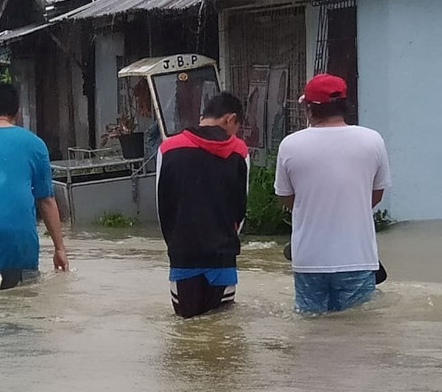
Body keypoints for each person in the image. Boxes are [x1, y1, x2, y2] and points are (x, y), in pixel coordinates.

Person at [275, 74, 391, 314]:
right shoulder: (373, 140)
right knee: (358, 333)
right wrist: (349, 208)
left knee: (311, 332)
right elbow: (376, 194)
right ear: (344, 106)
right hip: (358, 258)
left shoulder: (290, 145)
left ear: (309, 109)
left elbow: (286, 197)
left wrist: (314, 207)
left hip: (309, 261)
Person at [0, 83, 68, 289]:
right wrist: (59, 248)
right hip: (17, 236)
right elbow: (46, 200)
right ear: (16, 113)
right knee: (22, 305)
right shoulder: (34, 144)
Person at [156, 92, 248, 318]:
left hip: (183, 257)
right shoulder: (239, 151)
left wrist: (175, 246)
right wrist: (226, 241)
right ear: (230, 119)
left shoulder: (167, 148)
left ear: (203, 117)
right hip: (223, 259)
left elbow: (163, 207)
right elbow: (241, 209)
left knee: (186, 334)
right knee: (223, 333)